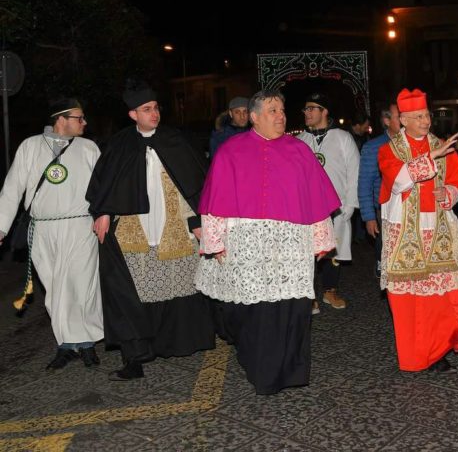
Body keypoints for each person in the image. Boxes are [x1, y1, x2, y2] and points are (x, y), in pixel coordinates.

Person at [195, 89, 339, 394]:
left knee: (294, 307)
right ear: (255, 117)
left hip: (291, 245)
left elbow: (315, 199)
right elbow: (215, 198)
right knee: (251, 310)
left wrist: (321, 239)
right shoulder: (231, 151)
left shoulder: (299, 151)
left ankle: (291, 371)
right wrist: (216, 241)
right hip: (248, 244)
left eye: (282, 110)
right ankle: (262, 369)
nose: (281, 116)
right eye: (273, 110)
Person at [87, 81, 215, 380]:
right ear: (133, 114)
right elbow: (105, 184)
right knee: (131, 293)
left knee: (177, 288)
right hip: (135, 228)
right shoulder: (119, 145)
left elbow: (194, 184)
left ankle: (175, 343)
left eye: (156, 108)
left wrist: (196, 222)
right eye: (147, 109)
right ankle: (135, 357)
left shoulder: (176, 140)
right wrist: (104, 211)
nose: (154, 113)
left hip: (172, 226)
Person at [379, 88, 458, 373]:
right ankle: (417, 354)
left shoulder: (442, 145)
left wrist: (450, 194)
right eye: (420, 116)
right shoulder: (388, 149)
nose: (426, 121)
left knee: (448, 295)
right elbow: (398, 181)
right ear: (404, 120)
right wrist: (430, 157)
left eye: (427, 115)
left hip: (439, 228)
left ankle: (439, 350)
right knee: (411, 302)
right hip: (404, 232)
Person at [0, 98, 103, 369]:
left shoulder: (88, 148)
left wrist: (104, 217)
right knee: (55, 287)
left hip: (81, 226)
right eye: (79, 118)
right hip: (43, 228)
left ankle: (87, 342)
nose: (84, 123)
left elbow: (104, 188)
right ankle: (66, 344)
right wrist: (1, 227)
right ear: (61, 119)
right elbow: (13, 188)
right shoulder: (30, 146)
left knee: (82, 284)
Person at [297, 92, 359, 312]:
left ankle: (330, 291)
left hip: (336, 206)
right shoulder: (300, 141)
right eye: (305, 109)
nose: (307, 113)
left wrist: (350, 204)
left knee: (334, 249)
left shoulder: (342, 138)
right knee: (309, 251)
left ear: (325, 111)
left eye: (312, 108)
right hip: (308, 208)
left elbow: (354, 172)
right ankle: (310, 295)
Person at [358, 103, 400, 279]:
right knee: (387, 261)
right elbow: (364, 183)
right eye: (399, 117)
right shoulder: (374, 147)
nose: (405, 121)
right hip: (384, 211)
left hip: (412, 209)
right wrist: (369, 217)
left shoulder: (416, 143)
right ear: (386, 120)